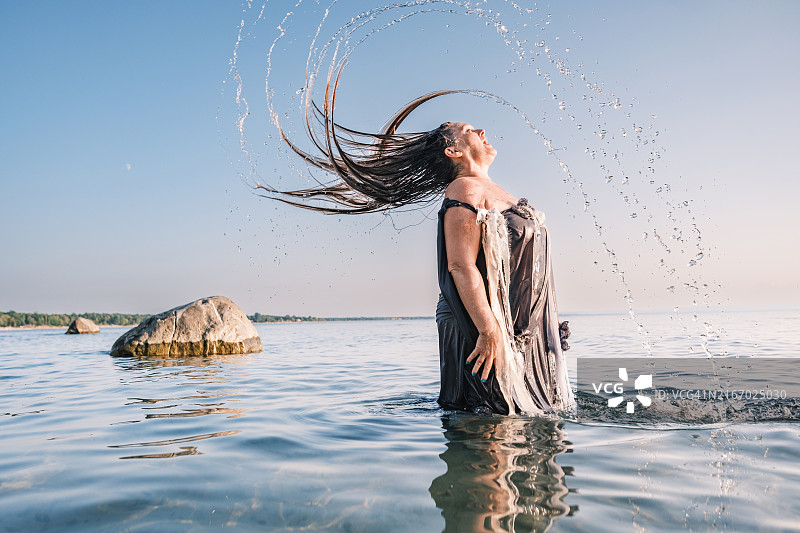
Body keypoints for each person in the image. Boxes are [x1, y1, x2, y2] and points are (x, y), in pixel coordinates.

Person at [263, 82, 574, 415]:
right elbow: (460, 265)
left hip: (517, 325)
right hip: (478, 323)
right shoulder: (464, 188)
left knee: (525, 419)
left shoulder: (498, 192)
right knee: (487, 424)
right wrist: (487, 328)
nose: (482, 131)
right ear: (453, 152)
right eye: (469, 130)